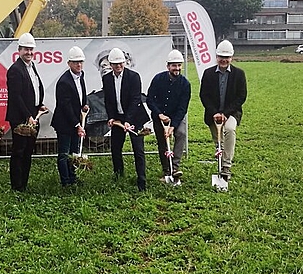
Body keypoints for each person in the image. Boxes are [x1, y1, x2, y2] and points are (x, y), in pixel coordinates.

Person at [103, 47, 150, 191]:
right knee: (115, 148)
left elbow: (136, 100)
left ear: (125, 62)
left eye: (121, 63)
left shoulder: (134, 77)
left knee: (138, 149)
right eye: (115, 64)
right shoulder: (106, 79)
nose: (118, 66)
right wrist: (111, 117)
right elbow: (108, 100)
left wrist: (128, 121)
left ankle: (141, 180)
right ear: (110, 64)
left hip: (135, 117)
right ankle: (118, 175)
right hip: (118, 118)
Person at [199, 40, 247, 181]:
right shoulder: (208, 74)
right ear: (216, 57)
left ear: (231, 58)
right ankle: (220, 155)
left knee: (230, 130)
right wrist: (214, 112)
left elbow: (241, 96)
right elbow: (204, 95)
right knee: (218, 140)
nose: (223, 60)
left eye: (226, 57)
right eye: (221, 57)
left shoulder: (239, 74)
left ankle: (226, 166)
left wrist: (225, 113)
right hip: (212, 113)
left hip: (232, 113)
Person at [6, 33, 47, 192]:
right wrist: (28, 116)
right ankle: (17, 186)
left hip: (33, 115)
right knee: (19, 151)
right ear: (19, 50)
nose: (29, 52)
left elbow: (32, 90)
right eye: (26, 49)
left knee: (28, 151)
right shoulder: (15, 70)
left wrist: (39, 105)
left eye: (31, 49)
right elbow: (15, 96)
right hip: (21, 118)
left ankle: (24, 183)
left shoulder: (31, 66)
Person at [146, 49, 191, 183]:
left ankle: (175, 167)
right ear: (168, 66)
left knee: (181, 133)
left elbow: (183, 107)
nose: (176, 68)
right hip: (159, 116)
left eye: (179, 65)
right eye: (174, 65)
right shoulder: (158, 79)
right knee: (162, 142)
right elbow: (150, 99)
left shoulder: (185, 84)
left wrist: (173, 126)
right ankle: (167, 170)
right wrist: (159, 114)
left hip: (176, 116)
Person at [50, 46, 89, 187]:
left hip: (75, 121)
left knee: (74, 152)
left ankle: (73, 177)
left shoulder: (81, 75)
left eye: (81, 61)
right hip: (64, 123)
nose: (79, 65)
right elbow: (65, 107)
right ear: (69, 64)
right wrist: (77, 125)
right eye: (75, 62)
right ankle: (65, 182)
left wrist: (84, 104)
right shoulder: (64, 82)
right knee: (64, 154)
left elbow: (80, 96)